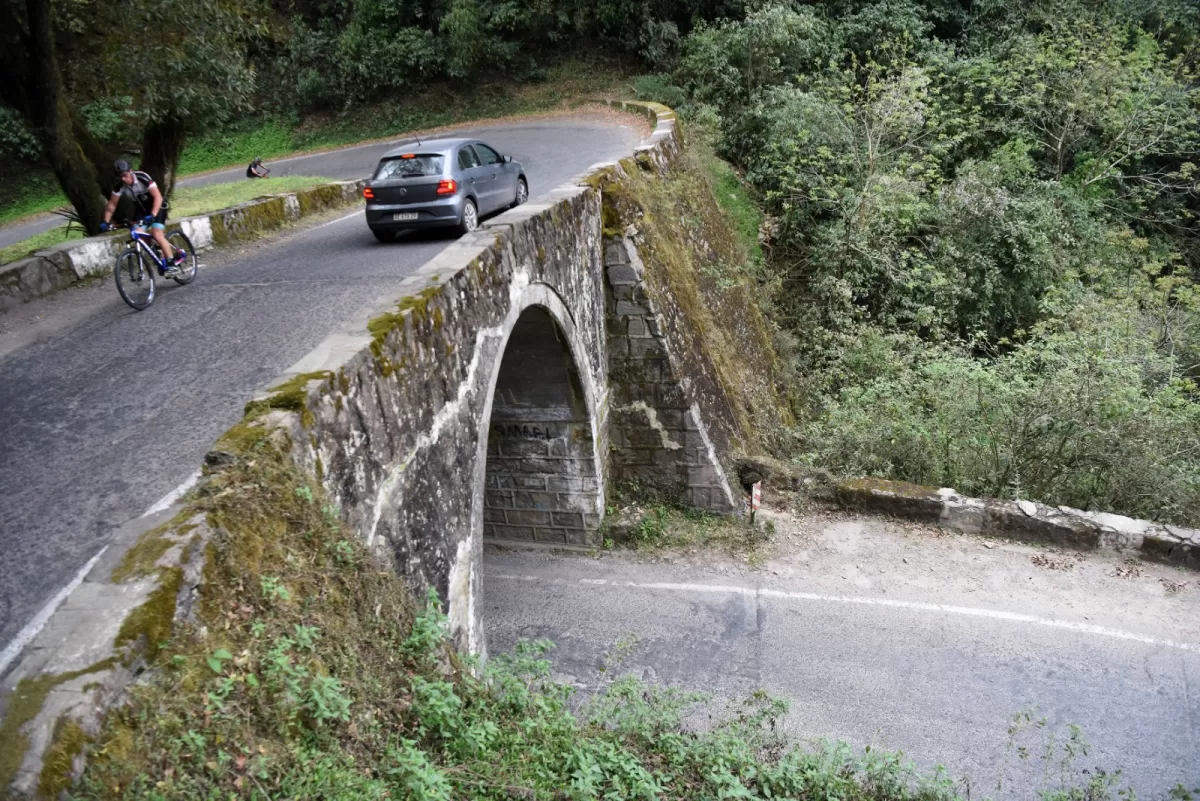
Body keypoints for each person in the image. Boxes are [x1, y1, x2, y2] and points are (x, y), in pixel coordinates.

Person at [99, 160, 185, 269]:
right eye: (120, 177)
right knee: (137, 234)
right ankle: (157, 251)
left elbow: (158, 197)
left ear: (131, 171)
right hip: (142, 210)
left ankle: (172, 263)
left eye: (124, 175)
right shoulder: (119, 186)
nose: (123, 179)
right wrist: (106, 222)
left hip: (158, 206)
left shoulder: (142, 177)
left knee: (157, 233)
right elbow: (111, 205)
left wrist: (153, 215)